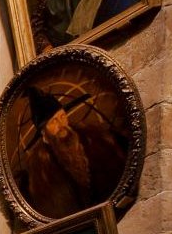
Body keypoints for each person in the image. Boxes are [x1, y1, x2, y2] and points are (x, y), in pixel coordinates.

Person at [18, 85, 128, 218]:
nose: (62, 125)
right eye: (53, 121)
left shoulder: (95, 138)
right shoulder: (40, 171)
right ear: (43, 133)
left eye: (62, 116)